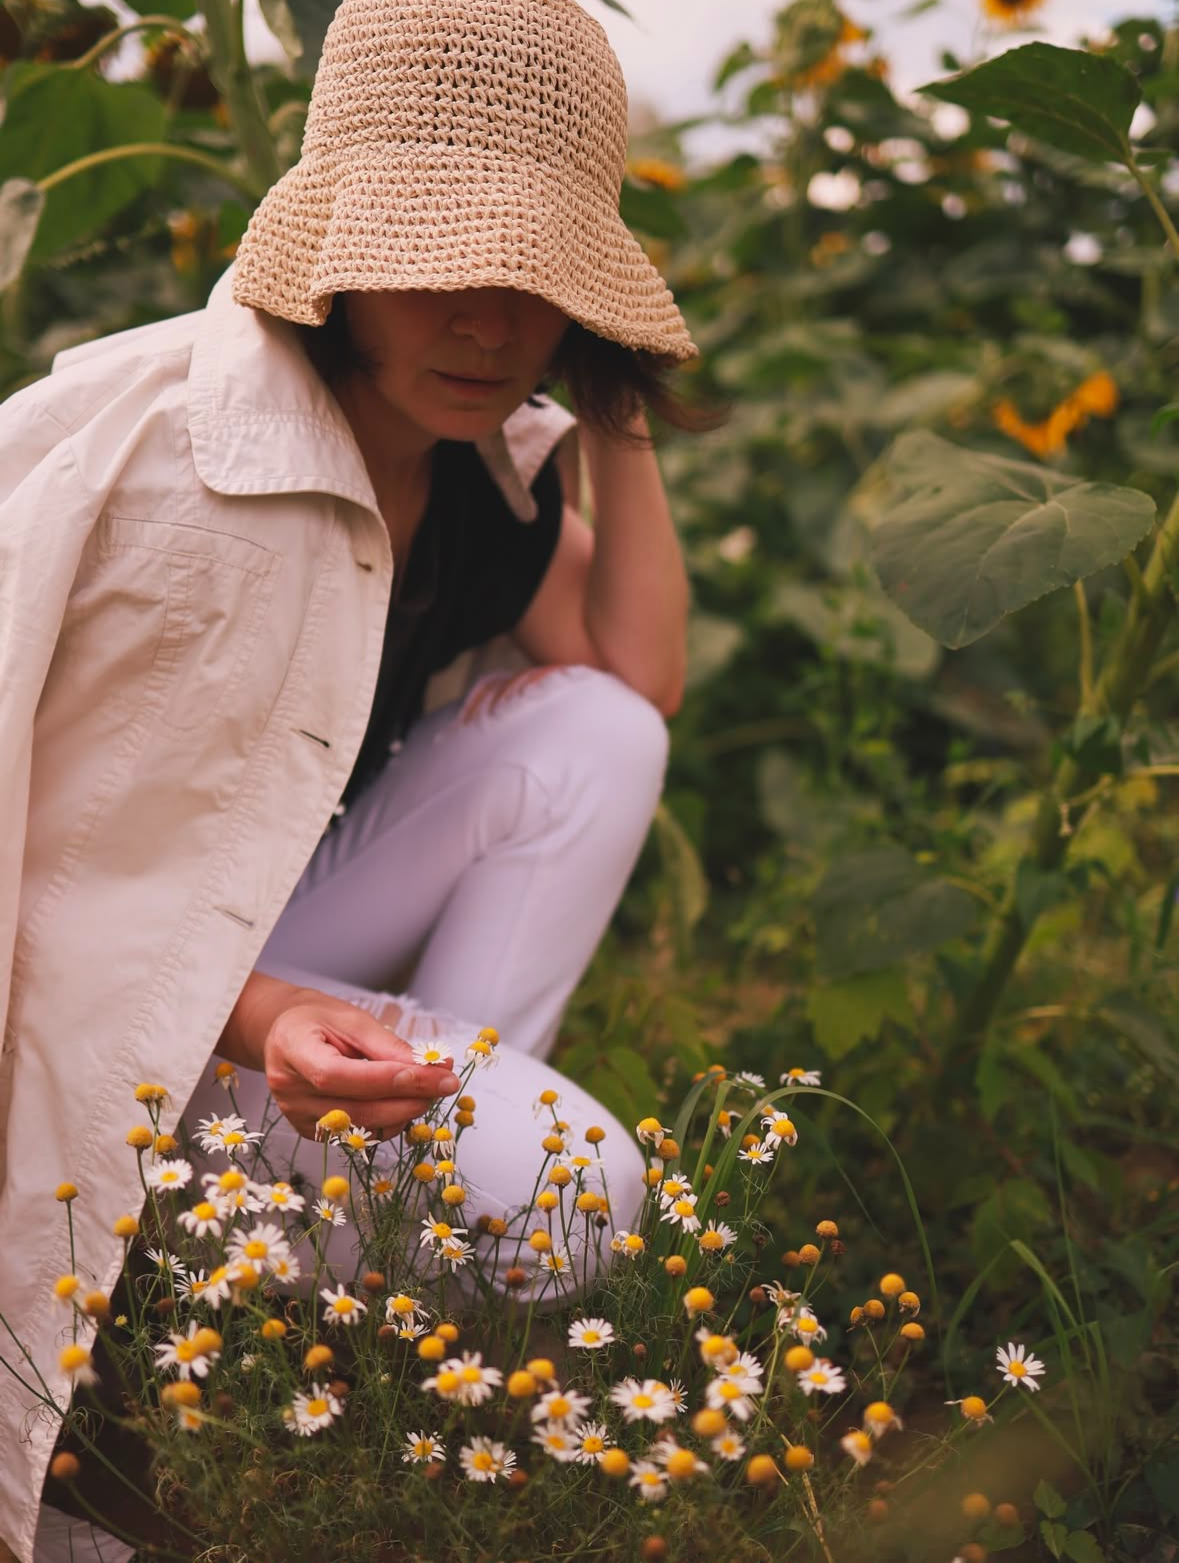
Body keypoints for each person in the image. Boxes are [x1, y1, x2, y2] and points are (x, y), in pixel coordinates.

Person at [0, 0, 706, 1557]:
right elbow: (56, 872)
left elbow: (636, 679)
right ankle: (256, 1299)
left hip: (256, 950)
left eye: (536, 281)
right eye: (435, 259)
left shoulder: (476, 470)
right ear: (335, 250)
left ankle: (350, 1280)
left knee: (597, 728)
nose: (484, 321)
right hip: (102, 1007)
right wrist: (258, 1022)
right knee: (581, 1184)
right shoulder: (199, 476)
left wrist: (617, 414)